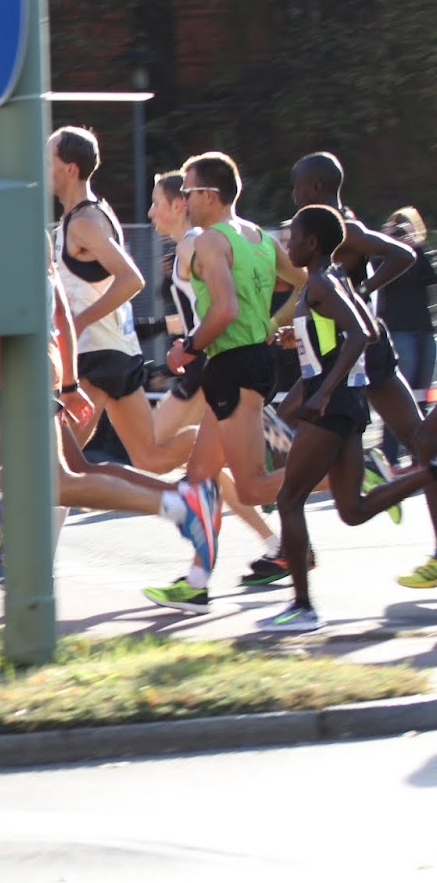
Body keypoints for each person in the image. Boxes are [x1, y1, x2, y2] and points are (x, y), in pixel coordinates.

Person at [0, 133, 218, 626]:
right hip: (15, 369)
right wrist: (39, 380)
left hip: (28, 369)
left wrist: (65, 380)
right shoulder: (6, 221)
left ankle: (180, 504)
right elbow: (48, 308)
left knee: (53, 481)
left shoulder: (13, 224)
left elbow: (43, 306)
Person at [265, 206, 437, 632]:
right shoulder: (332, 281)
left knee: (289, 500)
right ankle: (430, 471)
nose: (288, 246)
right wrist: (297, 338)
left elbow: (362, 333)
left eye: (293, 240)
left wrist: (324, 389)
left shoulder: (322, 282)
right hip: (345, 404)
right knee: (352, 511)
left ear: (313, 243)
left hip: (332, 407)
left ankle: (302, 608)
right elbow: (351, 331)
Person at [146, 171, 282, 580]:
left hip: (213, 365)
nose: (150, 212)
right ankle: (268, 547)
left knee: (155, 451)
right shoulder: (188, 248)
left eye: (156, 203)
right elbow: (195, 311)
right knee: (207, 473)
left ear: (180, 205)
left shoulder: (195, 245)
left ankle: (326, 464)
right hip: (210, 362)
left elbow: (220, 308)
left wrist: (188, 348)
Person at [50, 127, 196, 474]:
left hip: (95, 356)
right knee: (150, 458)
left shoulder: (84, 221)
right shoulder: (87, 215)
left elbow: (132, 279)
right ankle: (224, 442)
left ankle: (230, 440)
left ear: (70, 168)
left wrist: (77, 323)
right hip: (118, 351)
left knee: (54, 467)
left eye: (47, 158)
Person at [375, 207, 436, 465]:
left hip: (424, 331)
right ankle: (390, 458)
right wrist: (390, 246)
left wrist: (417, 249)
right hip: (398, 331)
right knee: (400, 398)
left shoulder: (419, 255)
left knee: (423, 396)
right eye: (397, 230)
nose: (402, 235)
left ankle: (420, 458)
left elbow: (431, 278)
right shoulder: (382, 256)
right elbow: (378, 280)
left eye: (406, 230)